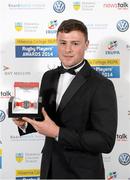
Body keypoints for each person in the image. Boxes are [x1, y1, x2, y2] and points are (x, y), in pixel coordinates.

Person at [13, 19, 117, 179]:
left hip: (81, 174)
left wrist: (58, 132)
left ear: (86, 45)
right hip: (49, 169)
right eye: (63, 43)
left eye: (75, 43)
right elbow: (46, 119)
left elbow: (105, 141)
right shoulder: (48, 76)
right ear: (57, 43)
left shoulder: (102, 85)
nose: (67, 49)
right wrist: (25, 123)